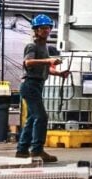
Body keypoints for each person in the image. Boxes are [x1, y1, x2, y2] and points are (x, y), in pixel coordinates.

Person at [16, 13, 69, 162]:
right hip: (30, 85)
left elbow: (43, 68)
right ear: (36, 30)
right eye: (42, 28)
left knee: (33, 118)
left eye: (48, 28)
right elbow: (28, 62)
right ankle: (37, 150)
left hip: (37, 84)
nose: (46, 31)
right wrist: (48, 60)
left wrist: (58, 73)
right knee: (41, 117)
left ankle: (22, 150)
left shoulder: (44, 46)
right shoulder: (32, 46)